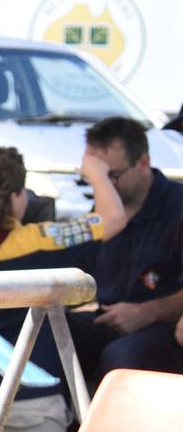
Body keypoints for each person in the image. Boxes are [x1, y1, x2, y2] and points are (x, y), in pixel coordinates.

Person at [0, 146, 127, 432]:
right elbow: (113, 219)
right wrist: (96, 171)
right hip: (28, 402)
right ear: (14, 197)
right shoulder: (41, 239)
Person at [65, 117, 183, 389]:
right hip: (105, 319)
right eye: (93, 175)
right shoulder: (103, 209)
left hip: (164, 328)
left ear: (143, 163)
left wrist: (146, 312)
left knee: (123, 356)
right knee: (46, 335)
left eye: (111, 175)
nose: (103, 185)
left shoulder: (177, 207)